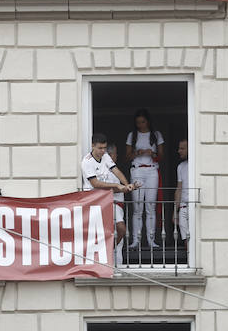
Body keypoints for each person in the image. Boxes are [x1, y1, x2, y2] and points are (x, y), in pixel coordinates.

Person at [81, 133, 137, 267]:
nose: (103, 151)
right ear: (93, 146)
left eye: (104, 148)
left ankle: (108, 250)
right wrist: (116, 186)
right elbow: (95, 183)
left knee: (121, 228)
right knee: (99, 233)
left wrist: (126, 184)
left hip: (107, 199)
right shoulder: (87, 161)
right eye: (100, 148)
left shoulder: (105, 156)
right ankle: (99, 258)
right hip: (94, 201)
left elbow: (116, 170)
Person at [125, 111, 164, 254]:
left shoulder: (156, 135)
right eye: (138, 122)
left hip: (152, 170)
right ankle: (136, 240)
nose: (140, 125)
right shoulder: (132, 135)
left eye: (142, 122)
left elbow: (161, 155)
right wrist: (138, 153)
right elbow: (127, 156)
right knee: (137, 208)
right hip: (137, 171)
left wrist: (151, 153)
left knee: (151, 207)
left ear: (148, 121)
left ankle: (151, 240)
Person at [173, 138, 190, 254]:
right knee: (186, 240)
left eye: (182, 148)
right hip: (183, 207)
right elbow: (179, 189)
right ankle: (190, 261)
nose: (179, 151)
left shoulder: (197, 165)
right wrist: (175, 211)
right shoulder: (180, 166)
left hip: (194, 207)